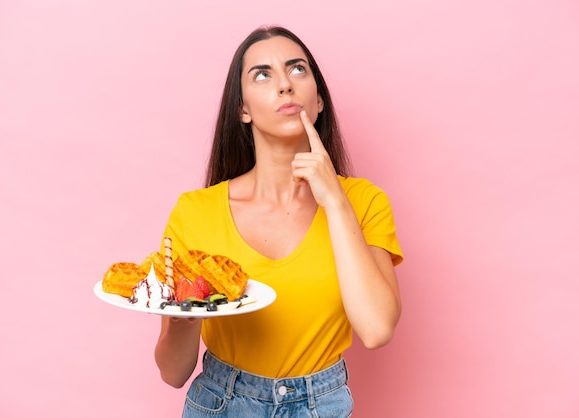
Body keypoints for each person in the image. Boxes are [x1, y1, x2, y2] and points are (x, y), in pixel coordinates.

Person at [154, 25, 403, 417]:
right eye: (263, 74)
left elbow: (376, 329)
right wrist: (188, 308)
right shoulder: (195, 212)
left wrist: (335, 203)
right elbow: (173, 371)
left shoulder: (364, 202)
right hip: (222, 403)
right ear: (243, 109)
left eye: (297, 69)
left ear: (318, 100)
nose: (285, 85)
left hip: (322, 406)